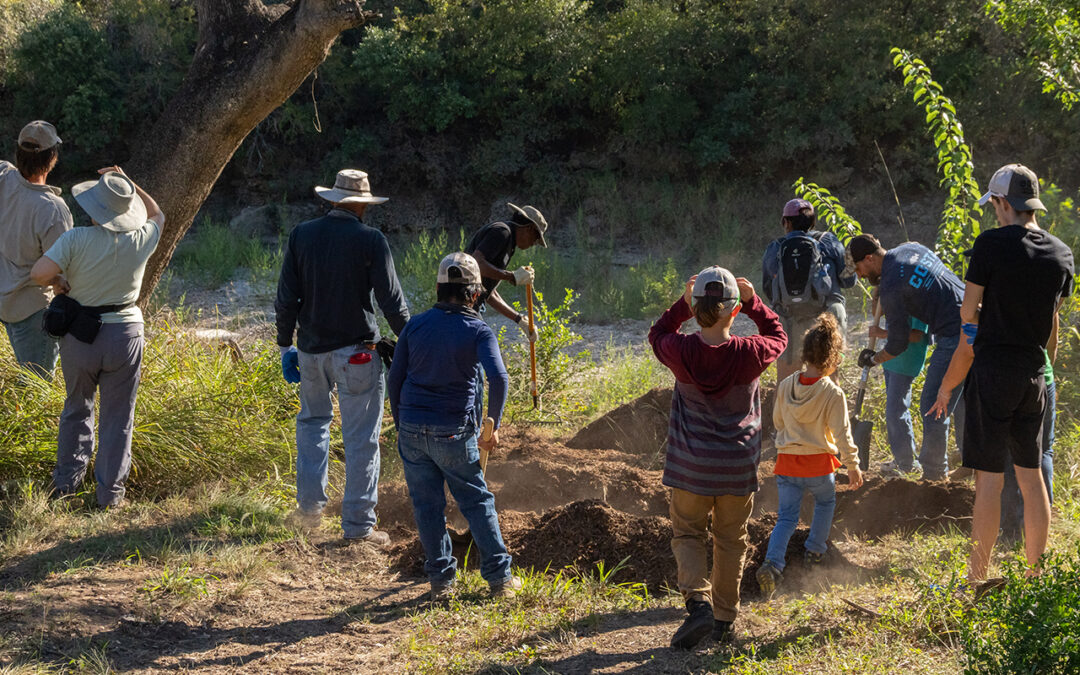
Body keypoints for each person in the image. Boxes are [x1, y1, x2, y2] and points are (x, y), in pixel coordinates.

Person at [649, 266, 786, 648]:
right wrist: (754, 301)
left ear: (696, 310)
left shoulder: (680, 351)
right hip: (736, 469)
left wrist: (680, 307)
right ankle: (724, 621)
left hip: (690, 468)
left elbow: (657, 334)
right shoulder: (751, 352)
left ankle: (699, 605)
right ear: (733, 311)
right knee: (731, 539)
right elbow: (779, 335)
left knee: (688, 533)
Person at [275, 169, 410, 546]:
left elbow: (287, 297)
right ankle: (358, 527)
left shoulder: (302, 235)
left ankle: (308, 512)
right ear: (362, 206)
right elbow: (392, 303)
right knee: (361, 438)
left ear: (333, 200)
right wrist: (414, 343)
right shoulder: (371, 240)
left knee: (313, 425)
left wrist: (286, 345)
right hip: (357, 354)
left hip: (311, 351)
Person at [949, 164, 1070, 585]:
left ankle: (977, 578)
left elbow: (967, 311)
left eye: (995, 206)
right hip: (1035, 373)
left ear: (1003, 203)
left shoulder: (990, 244)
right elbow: (1051, 322)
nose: (994, 214)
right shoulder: (1061, 253)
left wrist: (985, 315)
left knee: (989, 480)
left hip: (993, 370)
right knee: (1032, 474)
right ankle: (1036, 576)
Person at [387, 252, 519, 601]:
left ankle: (442, 583)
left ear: (437, 288)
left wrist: (403, 426)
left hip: (413, 428)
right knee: (476, 502)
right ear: (475, 294)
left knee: (427, 506)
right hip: (453, 432)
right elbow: (499, 378)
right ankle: (500, 581)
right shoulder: (478, 329)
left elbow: (395, 378)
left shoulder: (415, 325)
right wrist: (492, 426)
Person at [29, 167, 163, 508]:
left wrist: (58, 279)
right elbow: (158, 213)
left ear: (92, 208)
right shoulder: (142, 238)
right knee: (119, 417)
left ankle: (66, 485)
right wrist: (131, 183)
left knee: (77, 407)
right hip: (125, 333)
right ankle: (110, 495)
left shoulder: (75, 239)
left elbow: (38, 274)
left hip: (80, 335)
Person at [757, 313, 864, 599]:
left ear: (804, 354)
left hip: (787, 462)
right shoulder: (832, 392)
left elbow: (778, 422)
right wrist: (853, 465)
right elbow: (842, 433)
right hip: (818, 464)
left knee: (787, 517)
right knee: (825, 502)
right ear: (833, 358)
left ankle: (772, 563)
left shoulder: (786, 385)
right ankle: (815, 552)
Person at [847, 234, 965, 481]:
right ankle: (972, 463)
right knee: (964, 401)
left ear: (869, 258)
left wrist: (873, 359)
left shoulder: (891, 287)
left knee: (933, 404)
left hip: (955, 333)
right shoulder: (911, 248)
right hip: (973, 315)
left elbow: (898, 344)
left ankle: (934, 478)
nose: (858, 275)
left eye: (858, 268)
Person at [1, 121, 73, 376]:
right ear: (52, 158)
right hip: (32, 309)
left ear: (18, 153)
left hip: (4, 300)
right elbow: (61, 267)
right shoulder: (52, 209)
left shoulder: (3, 176)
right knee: (36, 387)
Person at [762, 198, 856, 384]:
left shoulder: (775, 248)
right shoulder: (829, 241)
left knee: (786, 383)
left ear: (786, 222)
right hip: (826, 318)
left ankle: (785, 413)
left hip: (789, 318)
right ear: (813, 222)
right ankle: (832, 412)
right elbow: (848, 281)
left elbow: (768, 289)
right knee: (829, 379)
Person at [464, 203, 548, 343]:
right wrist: (511, 276)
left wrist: (519, 319)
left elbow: (488, 292)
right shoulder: (502, 232)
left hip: (471, 307)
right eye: (536, 238)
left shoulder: (509, 243)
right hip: (464, 306)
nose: (534, 243)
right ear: (528, 228)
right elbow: (476, 263)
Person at [871, 307, 930, 476]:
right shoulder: (894, 294)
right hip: (891, 360)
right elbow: (876, 310)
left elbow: (916, 335)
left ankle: (907, 463)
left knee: (895, 411)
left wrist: (883, 334)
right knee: (896, 411)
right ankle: (903, 458)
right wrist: (878, 292)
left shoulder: (918, 300)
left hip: (906, 361)